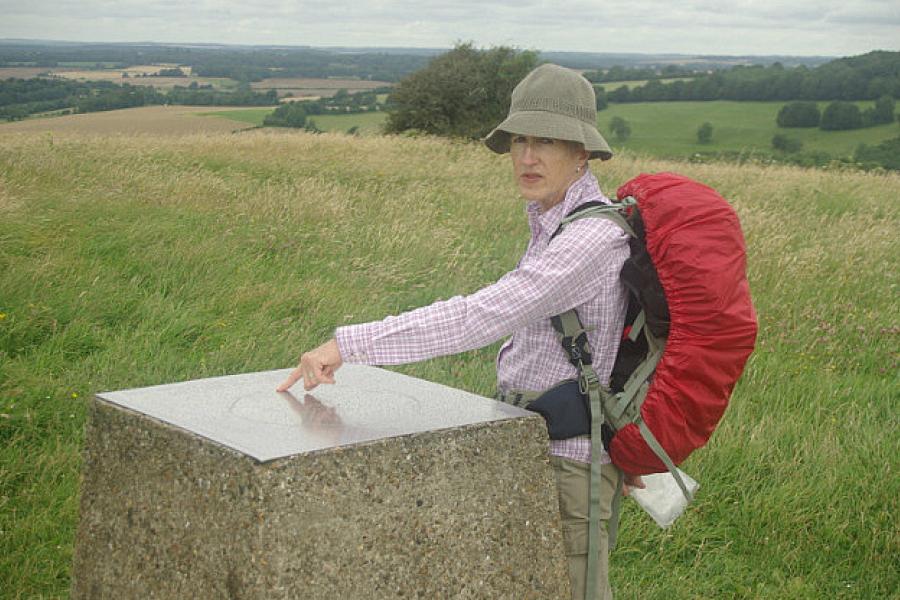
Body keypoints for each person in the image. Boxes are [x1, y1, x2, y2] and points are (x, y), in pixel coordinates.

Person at [277, 63, 643, 600]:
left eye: (546, 141)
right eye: (519, 139)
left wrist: (350, 343)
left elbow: (480, 315)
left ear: (582, 152)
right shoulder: (557, 220)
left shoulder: (588, 240)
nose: (526, 156)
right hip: (537, 441)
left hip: (571, 464)